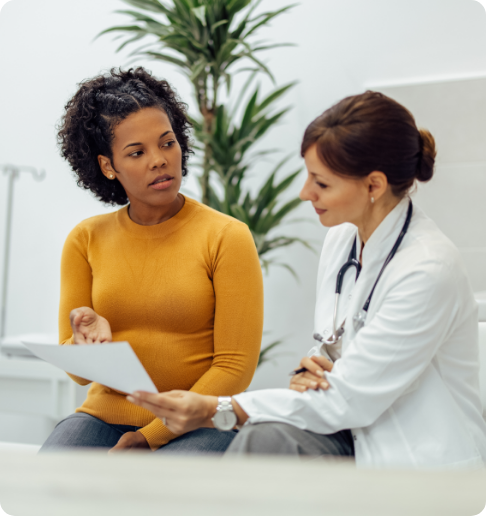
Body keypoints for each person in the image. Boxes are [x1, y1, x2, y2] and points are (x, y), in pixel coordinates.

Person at [127, 91, 486, 469]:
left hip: (416, 455)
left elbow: (349, 396)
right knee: (265, 439)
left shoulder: (427, 270)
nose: (304, 193)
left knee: (261, 440)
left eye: (322, 183)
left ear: (374, 186)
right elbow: (332, 350)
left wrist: (216, 409)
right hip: (352, 430)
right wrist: (310, 368)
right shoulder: (342, 240)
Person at [40, 67, 264, 454]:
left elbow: (234, 368)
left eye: (167, 143)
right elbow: (76, 373)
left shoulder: (227, 236)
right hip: (103, 416)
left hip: (199, 421)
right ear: (109, 166)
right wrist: (85, 343)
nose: (159, 160)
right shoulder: (85, 239)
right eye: (137, 152)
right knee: (48, 484)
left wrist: (149, 437)